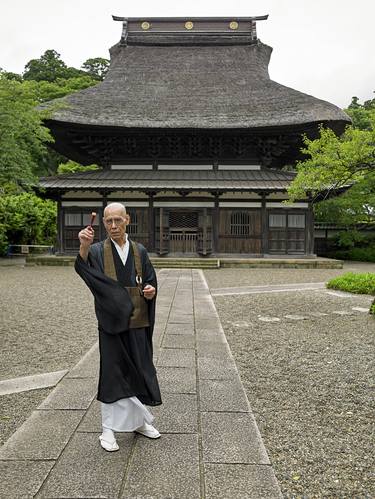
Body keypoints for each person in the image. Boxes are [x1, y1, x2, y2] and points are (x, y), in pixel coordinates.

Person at [75, 202, 162, 452]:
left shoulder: (140, 250)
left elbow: (150, 281)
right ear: (103, 223)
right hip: (111, 322)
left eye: (118, 220)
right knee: (113, 374)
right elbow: (82, 268)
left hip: (137, 320)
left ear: (128, 220)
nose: (113, 225)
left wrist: (150, 290)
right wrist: (83, 245)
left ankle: (139, 422)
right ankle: (108, 429)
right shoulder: (96, 251)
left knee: (138, 370)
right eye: (108, 221)